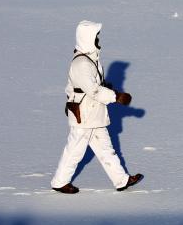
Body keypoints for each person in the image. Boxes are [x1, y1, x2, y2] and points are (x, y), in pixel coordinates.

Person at [50, 20, 143, 194]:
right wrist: (116, 97)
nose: (99, 40)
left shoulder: (89, 59)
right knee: (75, 150)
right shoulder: (82, 63)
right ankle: (59, 181)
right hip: (85, 115)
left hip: (93, 113)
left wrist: (109, 90)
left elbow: (95, 85)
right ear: (88, 39)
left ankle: (121, 179)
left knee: (106, 149)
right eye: (96, 37)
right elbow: (93, 90)